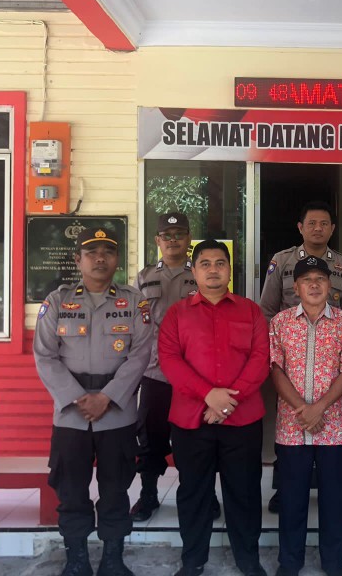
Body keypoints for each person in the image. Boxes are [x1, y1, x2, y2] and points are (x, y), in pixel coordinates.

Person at [34, 227, 153, 576]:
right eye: (91, 252)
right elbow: (44, 356)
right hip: (71, 414)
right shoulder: (57, 301)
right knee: (70, 489)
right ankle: (77, 560)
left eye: (108, 252)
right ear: (78, 260)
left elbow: (140, 354)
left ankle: (112, 560)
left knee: (116, 489)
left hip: (116, 412)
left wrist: (108, 397)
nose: (100, 258)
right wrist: (77, 398)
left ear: (117, 259)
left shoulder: (134, 302)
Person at [159, 239, 270, 576]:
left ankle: (248, 559)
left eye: (220, 263)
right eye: (205, 264)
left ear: (229, 270)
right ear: (193, 271)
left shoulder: (251, 311)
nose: (213, 269)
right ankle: (193, 561)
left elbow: (260, 358)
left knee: (244, 493)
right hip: (192, 421)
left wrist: (225, 402)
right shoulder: (177, 314)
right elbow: (170, 360)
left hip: (243, 419)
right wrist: (209, 395)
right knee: (194, 493)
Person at [260, 200, 342, 514]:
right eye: (312, 223)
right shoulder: (282, 260)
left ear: (332, 228)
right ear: (300, 227)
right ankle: (284, 489)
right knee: (288, 435)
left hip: (332, 356)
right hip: (290, 357)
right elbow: (267, 309)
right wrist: (276, 349)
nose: (318, 228)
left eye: (324, 223)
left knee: (333, 450)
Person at [269, 256, 342, 576]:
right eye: (306, 280)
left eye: (320, 279)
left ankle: (334, 562)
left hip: (333, 427)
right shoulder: (280, 322)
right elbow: (275, 369)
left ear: (331, 286)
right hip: (292, 427)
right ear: (295, 288)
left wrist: (319, 408)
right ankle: (290, 561)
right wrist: (303, 408)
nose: (313, 285)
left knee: (335, 500)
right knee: (291, 498)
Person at [130, 212, 220, 522]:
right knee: (150, 438)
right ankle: (148, 494)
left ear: (188, 239)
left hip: (195, 375)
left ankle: (205, 495)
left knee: (198, 440)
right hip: (155, 372)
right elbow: (134, 324)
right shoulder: (144, 277)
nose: (172, 240)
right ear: (157, 240)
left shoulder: (201, 273)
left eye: (179, 234)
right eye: (166, 235)